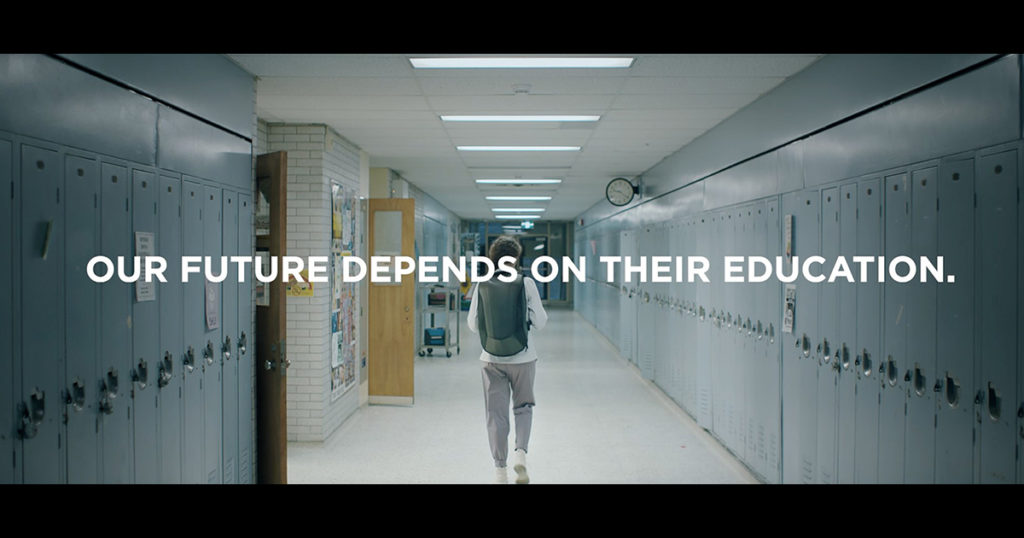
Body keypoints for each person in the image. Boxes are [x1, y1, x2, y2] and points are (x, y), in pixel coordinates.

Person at [467, 235, 547, 484]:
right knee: (523, 407)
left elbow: (472, 324)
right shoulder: (526, 283)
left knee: (496, 414)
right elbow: (541, 322)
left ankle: (499, 471)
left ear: (493, 257)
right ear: (516, 258)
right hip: (524, 357)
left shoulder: (482, 285)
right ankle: (520, 455)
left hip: (491, 360)